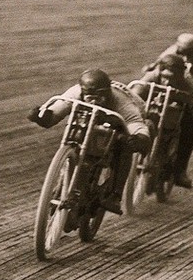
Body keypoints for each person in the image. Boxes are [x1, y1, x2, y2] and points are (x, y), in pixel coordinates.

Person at [27, 69, 151, 215]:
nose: (93, 102)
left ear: (107, 93)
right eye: (89, 97)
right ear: (82, 92)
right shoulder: (74, 93)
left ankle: (115, 194)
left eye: (99, 98)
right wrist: (41, 117)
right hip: (89, 122)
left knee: (124, 147)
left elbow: (135, 123)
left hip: (120, 119)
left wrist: (139, 138)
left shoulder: (121, 102)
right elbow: (54, 114)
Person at [132, 54, 193, 189]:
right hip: (154, 108)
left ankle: (180, 171)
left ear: (181, 75)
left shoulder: (189, 84)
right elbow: (135, 94)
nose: (167, 82)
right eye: (165, 77)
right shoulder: (151, 77)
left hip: (179, 111)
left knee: (188, 130)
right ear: (160, 71)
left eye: (172, 78)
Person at [143, 33, 193, 103]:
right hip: (177, 75)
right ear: (177, 48)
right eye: (182, 53)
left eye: (189, 53)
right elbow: (158, 62)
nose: (185, 57)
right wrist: (151, 67)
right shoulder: (170, 52)